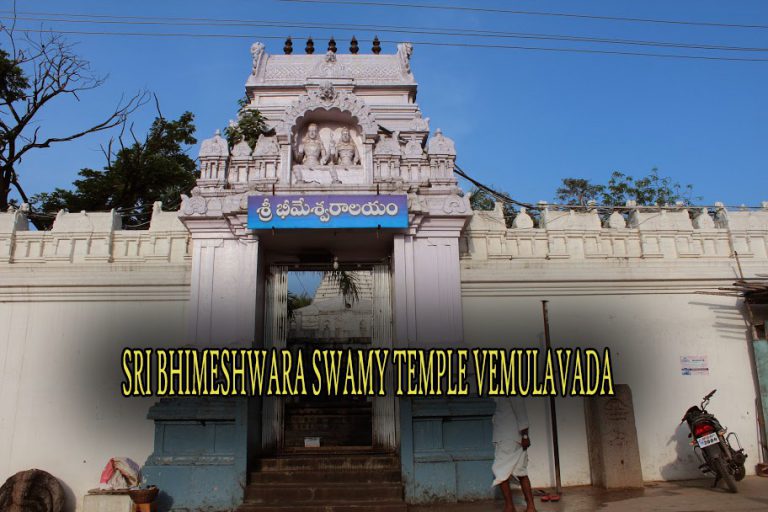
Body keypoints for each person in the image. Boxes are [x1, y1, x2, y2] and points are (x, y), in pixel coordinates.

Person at [492, 396, 536, 512]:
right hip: (509, 437)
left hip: (508, 438)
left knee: (500, 471)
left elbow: (521, 413)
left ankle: (510, 507)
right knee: (520, 471)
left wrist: (525, 436)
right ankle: (530, 507)